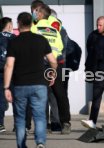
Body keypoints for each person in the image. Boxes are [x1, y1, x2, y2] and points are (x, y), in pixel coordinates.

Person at [4, 12, 57, 148]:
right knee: (39, 116)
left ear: (19, 23)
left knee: (20, 119)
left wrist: (6, 87)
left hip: (20, 85)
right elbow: (53, 61)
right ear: (32, 23)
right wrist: (52, 74)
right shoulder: (41, 40)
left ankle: (22, 145)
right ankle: (40, 143)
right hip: (39, 85)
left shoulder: (14, 42)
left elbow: (9, 65)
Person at [31, 4, 71, 134]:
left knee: (40, 95)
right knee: (60, 94)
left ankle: (42, 125)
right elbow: (60, 47)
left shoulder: (35, 28)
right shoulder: (55, 30)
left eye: (36, 12)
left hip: (40, 65)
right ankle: (66, 123)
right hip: (55, 64)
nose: (35, 14)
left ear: (40, 15)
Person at [0, 17, 15, 132]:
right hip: (14, 72)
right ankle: (19, 125)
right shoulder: (16, 38)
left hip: (0, 72)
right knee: (17, 98)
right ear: (9, 26)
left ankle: (0, 124)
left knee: (0, 98)